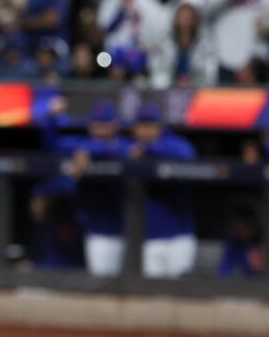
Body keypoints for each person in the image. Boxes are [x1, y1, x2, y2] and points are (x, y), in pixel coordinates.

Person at [46, 101, 132, 276]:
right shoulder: (80, 144)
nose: (100, 129)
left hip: (131, 230)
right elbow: (53, 145)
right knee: (101, 280)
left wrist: (89, 150)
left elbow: (119, 151)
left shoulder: (126, 146)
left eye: (105, 124)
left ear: (115, 125)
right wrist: (51, 119)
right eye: (96, 124)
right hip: (99, 230)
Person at [130, 104, 197, 278]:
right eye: (141, 125)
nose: (145, 130)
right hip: (148, 240)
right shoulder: (130, 149)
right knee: (151, 298)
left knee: (182, 296)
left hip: (179, 239)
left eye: (150, 125)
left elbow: (188, 154)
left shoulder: (174, 145)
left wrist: (148, 149)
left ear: (160, 127)